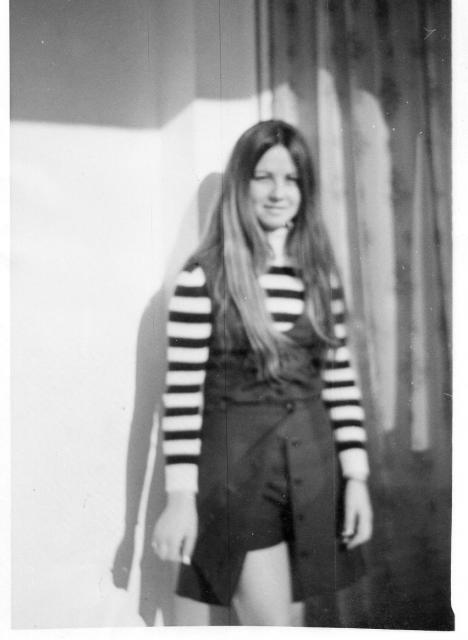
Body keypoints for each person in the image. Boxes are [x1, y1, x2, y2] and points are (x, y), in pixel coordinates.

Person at [152, 120, 373, 626]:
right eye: (264, 177)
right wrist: (180, 498)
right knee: (271, 627)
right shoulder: (202, 279)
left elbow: (340, 382)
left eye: (291, 179)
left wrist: (356, 477)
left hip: (312, 472)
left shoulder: (319, 276)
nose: (279, 193)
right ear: (241, 184)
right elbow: (181, 399)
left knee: (292, 624)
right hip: (238, 478)